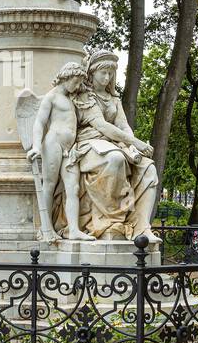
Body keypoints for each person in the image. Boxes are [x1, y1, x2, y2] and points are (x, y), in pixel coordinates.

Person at [69, 51, 159, 241]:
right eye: (103, 72)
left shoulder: (114, 99)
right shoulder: (86, 96)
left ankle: (142, 228)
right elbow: (101, 125)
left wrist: (133, 147)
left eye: (110, 73)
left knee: (148, 168)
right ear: (91, 73)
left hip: (113, 143)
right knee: (115, 159)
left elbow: (123, 125)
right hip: (89, 144)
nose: (107, 77)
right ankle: (110, 223)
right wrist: (134, 142)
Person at [26, 61, 94, 241]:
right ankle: (45, 228)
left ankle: (73, 230)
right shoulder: (52, 96)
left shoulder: (73, 97)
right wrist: (36, 146)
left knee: (73, 187)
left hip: (70, 149)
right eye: (76, 82)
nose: (78, 86)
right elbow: (39, 123)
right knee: (48, 184)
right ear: (66, 77)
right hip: (53, 144)